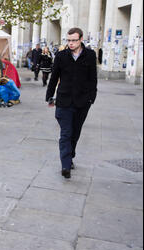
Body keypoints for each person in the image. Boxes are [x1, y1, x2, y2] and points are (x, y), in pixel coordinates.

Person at [46, 27, 97, 179]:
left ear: (81, 39)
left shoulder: (90, 55)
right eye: (68, 40)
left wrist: (91, 97)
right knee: (66, 133)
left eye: (74, 40)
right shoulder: (61, 56)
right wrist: (49, 96)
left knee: (75, 133)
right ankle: (66, 165)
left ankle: (70, 155)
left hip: (82, 101)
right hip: (64, 100)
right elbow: (54, 77)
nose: (71, 43)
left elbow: (93, 78)